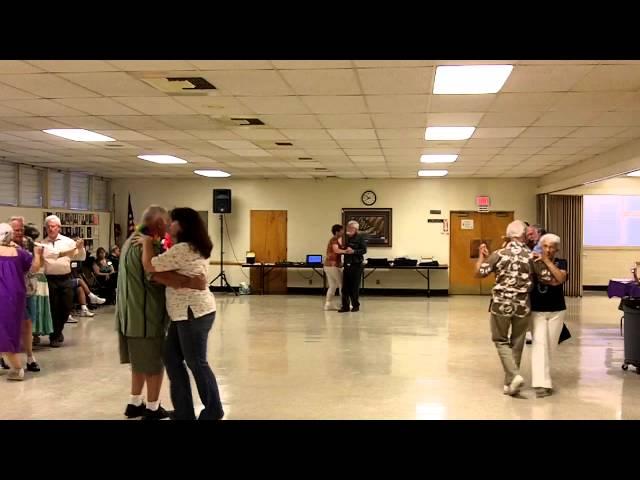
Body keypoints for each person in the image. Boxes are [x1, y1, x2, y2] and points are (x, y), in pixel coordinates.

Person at [117, 205, 208, 420]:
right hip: (147, 315)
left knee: (139, 362)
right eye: (166, 222)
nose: (169, 226)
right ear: (158, 224)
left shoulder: (130, 240)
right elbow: (156, 275)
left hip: (129, 314)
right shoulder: (148, 246)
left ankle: (135, 402)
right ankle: (152, 407)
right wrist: (192, 282)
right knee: (154, 364)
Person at [138, 207, 224, 421]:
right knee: (172, 358)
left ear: (183, 225)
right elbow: (162, 273)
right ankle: (184, 411)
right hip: (183, 314)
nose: (168, 224)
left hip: (192, 313)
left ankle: (214, 410)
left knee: (196, 362)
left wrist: (147, 243)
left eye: (172, 221)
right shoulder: (187, 247)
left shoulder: (184, 248)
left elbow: (150, 265)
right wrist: (169, 277)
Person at [476, 220, 533, 396]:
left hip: (501, 304)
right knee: (517, 341)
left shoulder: (498, 254)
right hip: (523, 305)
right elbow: (545, 277)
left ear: (508, 235)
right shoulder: (531, 255)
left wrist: (481, 256)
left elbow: (479, 272)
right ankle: (510, 383)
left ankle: (514, 376)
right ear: (523, 236)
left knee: (500, 340)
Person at [0, 223, 43, 381]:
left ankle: (17, 368)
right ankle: (16, 366)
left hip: (3, 295)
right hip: (17, 296)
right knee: (11, 330)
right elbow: (34, 269)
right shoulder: (20, 253)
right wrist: (38, 254)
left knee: (4, 332)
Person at [530, 233, 568, 398]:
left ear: (557, 249)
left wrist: (546, 261)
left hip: (557, 310)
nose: (548, 249)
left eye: (552, 247)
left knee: (550, 347)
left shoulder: (562, 262)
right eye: (545, 246)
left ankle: (544, 379)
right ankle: (542, 384)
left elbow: (560, 278)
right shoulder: (533, 261)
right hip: (537, 310)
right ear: (541, 246)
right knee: (539, 345)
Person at [41, 215, 86, 348]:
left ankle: (58, 331)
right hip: (50, 279)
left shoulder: (68, 241)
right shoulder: (42, 243)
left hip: (66, 277)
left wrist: (81, 247)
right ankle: (54, 336)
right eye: (48, 226)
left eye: (53, 226)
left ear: (59, 227)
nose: (50, 228)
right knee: (54, 308)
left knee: (66, 307)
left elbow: (81, 257)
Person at [338, 220, 368, 313]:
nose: (347, 229)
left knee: (354, 287)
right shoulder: (348, 238)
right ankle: (345, 306)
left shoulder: (360, 238)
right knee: (345, 287)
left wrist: (354, 251)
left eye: (349, 227)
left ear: (354, 229)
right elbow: (346, 250)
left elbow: (364, 250)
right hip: (347, 265)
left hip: (356, 265)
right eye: (347, 227)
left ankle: (355, 306)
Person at [324, 224, 348, 311]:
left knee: (333, 286)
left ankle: (328, 304)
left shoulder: (336, 240)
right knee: (342, 285)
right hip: (332, 266)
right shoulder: (334, 239)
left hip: (328, 266)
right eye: (342, 230)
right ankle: (344, 304)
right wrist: (346, 251)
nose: (343, 232)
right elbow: (336, 250)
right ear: (337, 231)